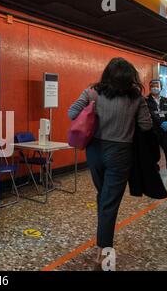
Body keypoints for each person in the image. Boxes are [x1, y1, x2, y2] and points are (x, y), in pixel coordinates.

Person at [68, 57, 152, 270]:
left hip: (95, 151)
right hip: (121, 153)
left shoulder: (92, 93)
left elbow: (72, 113)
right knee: (109, 202)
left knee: (103, 197)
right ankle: (103, 253)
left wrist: (94, 112)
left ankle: (101, 243)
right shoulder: (136, 98)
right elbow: (146, 125)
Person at [145, 79, 167, 179]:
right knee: (154, 152)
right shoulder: (146, 100)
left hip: (165, 131)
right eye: (152, 86)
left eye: (157, 86)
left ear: (161, 87)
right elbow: (150, 114)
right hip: (153, 131)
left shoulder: (165, 100)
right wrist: (161, 122)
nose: (154, 88)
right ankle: (154, 170)